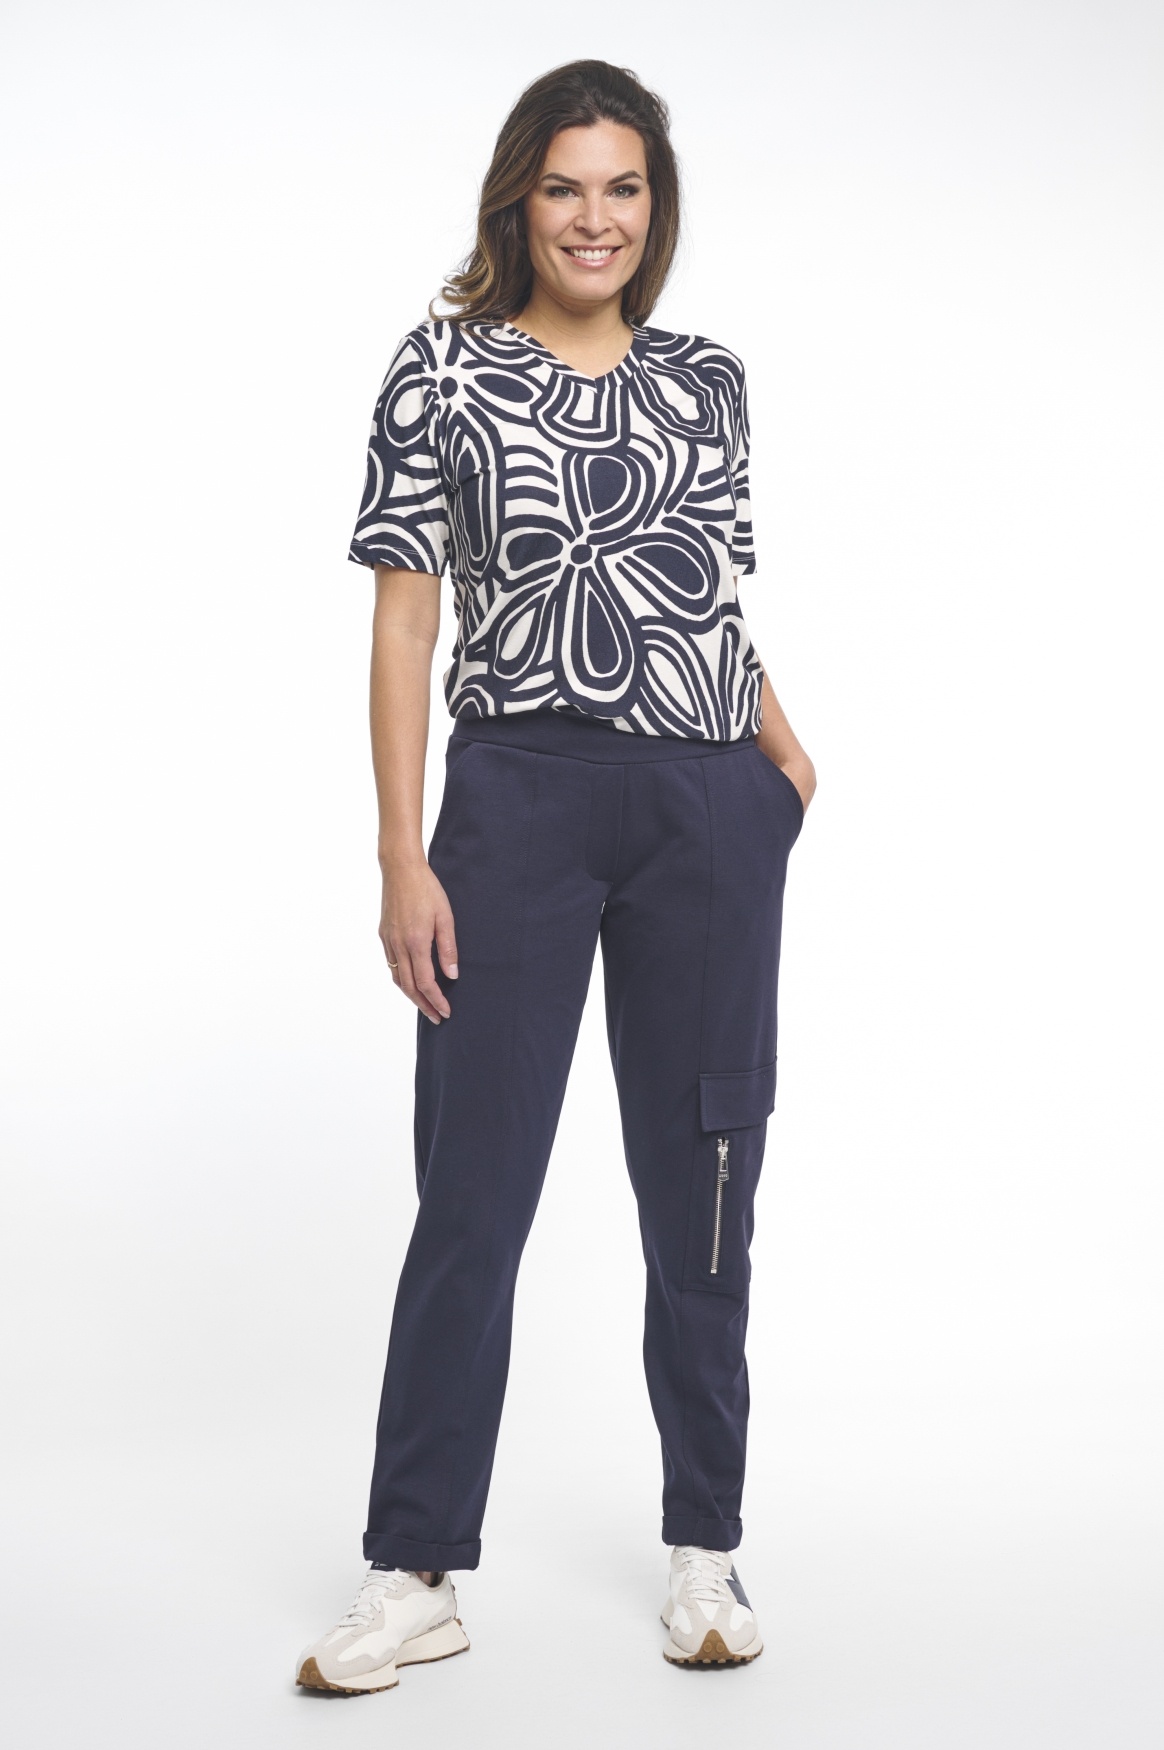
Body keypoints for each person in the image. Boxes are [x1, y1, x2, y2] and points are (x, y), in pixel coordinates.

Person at [295, 57, 816, 1696]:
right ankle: (414, 1568)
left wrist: (785, 765)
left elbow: (704, 594)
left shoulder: (709, 380)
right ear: (519, 201)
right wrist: (402, 850)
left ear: (656, 207)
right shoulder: (443, 368)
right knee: (473, 1194)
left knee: (705, 1191)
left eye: (625, 188)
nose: (597, 218)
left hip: (707, 808)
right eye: (567, 187)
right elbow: (404, 622)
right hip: (515, 803)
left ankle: (705, 1550)